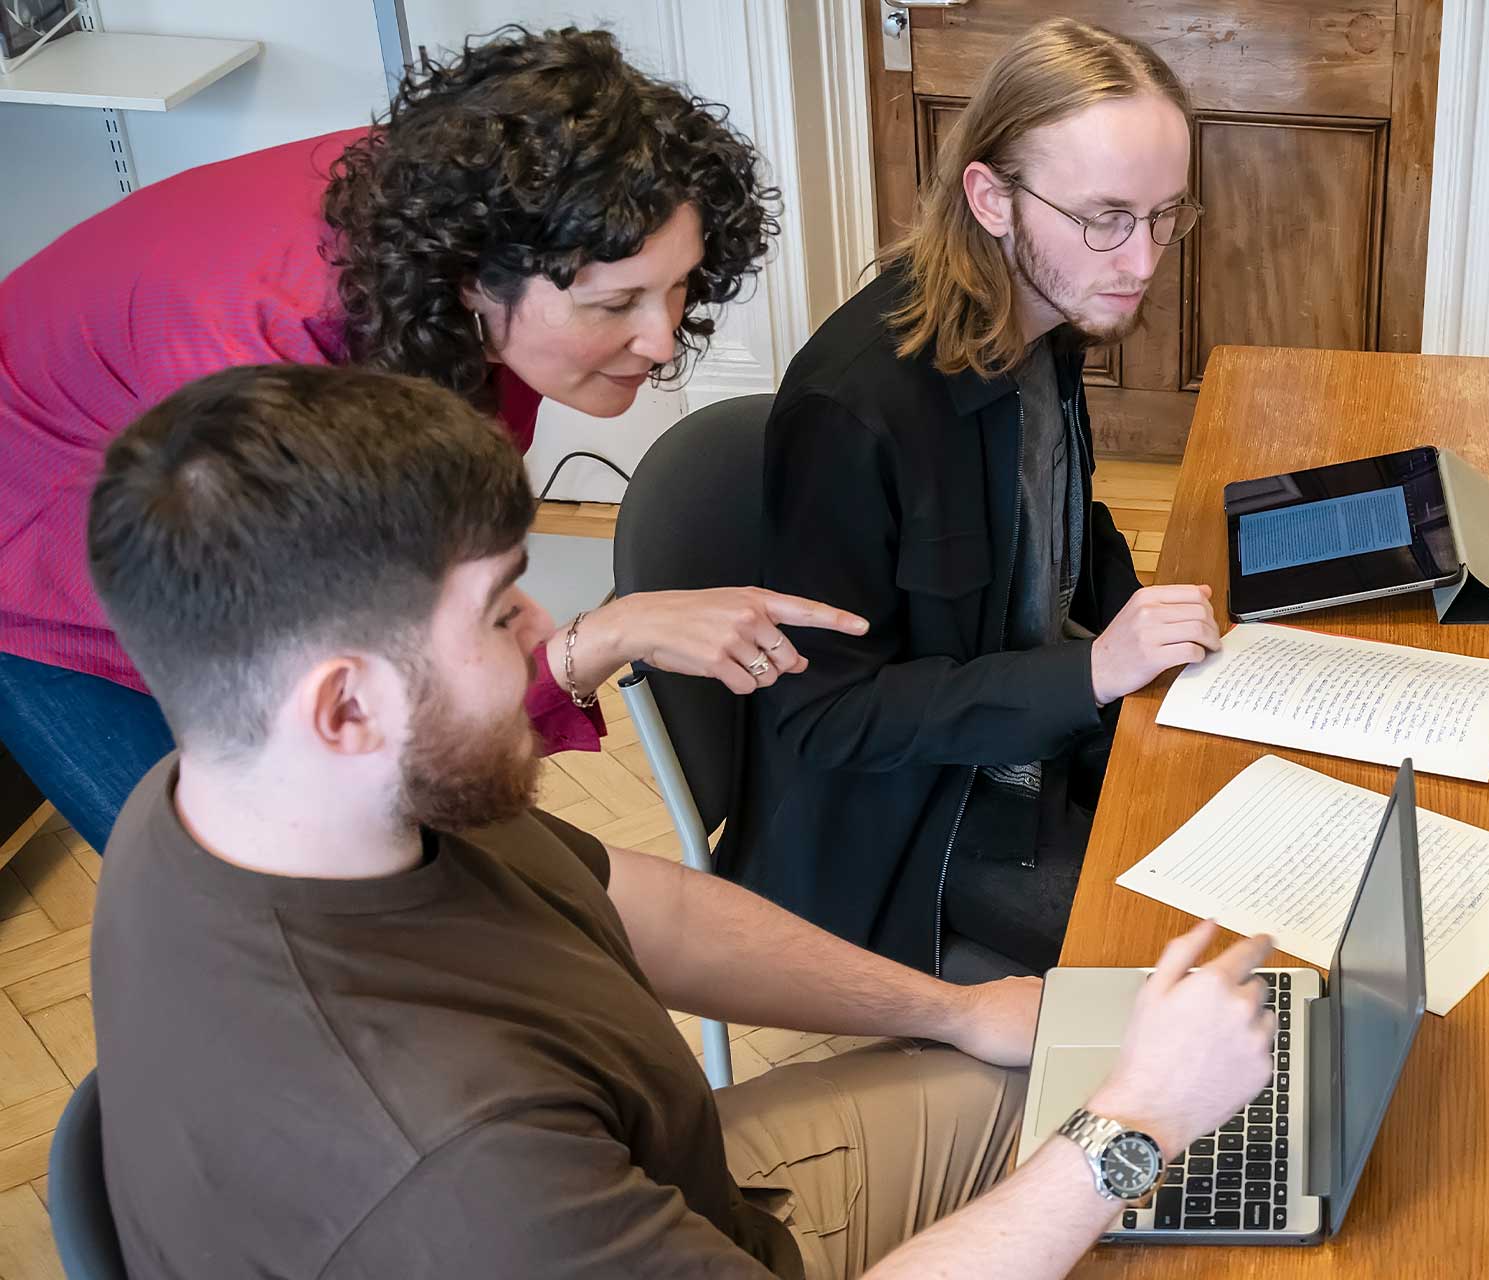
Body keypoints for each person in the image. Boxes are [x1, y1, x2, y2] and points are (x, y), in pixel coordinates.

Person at [88, 362, 1277, 1279]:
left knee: (1125, 1099)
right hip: (590, 1214)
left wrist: (956, 1010)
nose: (547, 638)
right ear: (345, 703)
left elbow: (630, 901)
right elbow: (491, 1187)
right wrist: (1134, 1127)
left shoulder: (260, 798)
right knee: (1163, 1180)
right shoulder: (452, 1162)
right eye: (500, 614)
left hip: (676, 1192)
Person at [0, 26, 861, 854]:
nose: (664, 340)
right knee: (262, 882)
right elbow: (371, 694)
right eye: (614, 306)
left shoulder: (476, 207)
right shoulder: (283, 375)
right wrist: (600, 638)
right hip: (38, 542)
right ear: (471, 280)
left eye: (676, 288)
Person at [726, 19, 1220, 979]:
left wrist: (1156, 641)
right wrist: (1091, 675)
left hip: (1027, 740)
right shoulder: (856, 405)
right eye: (1106, 217)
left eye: (1167, 215)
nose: (1145, 259)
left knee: (1268, 831)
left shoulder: (1050, 312)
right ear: (992, 198)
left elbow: (1057, 525)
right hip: (913, 823)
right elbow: (827, 719)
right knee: (1221, 961)